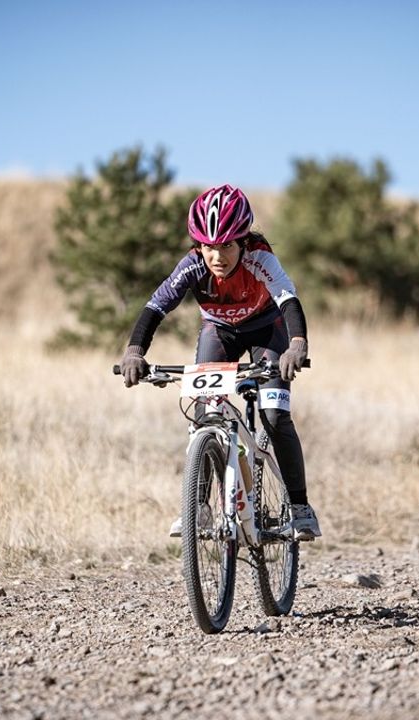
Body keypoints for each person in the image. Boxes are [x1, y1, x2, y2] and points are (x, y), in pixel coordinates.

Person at [120, 184, 321, 540]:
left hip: (267, 331)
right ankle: (198, 508)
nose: (217, 255)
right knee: (204, 416)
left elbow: (288, 300)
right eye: (209, 246)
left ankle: (300, 507)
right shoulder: (192, 265)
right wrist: (135, 351)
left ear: (243, 241)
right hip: (220, 332)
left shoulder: (260, 258)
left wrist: (297, 345)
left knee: (274, 415)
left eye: (227, 245)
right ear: (198, 246)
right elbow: (155, 307)